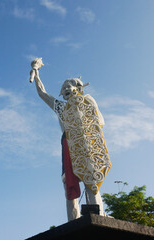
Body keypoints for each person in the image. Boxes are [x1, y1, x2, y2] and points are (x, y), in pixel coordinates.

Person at [32, 68, 106, 221]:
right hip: (68, 143)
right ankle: (73, 222)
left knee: (90, 182)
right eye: (63, 88)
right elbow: (42, 94)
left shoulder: (88, 100)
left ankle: (99, 217)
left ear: (78, 88)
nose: (65, 89)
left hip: (86, 141)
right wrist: (36, 73)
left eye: (68, 86)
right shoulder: (61, 107)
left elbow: (100, 122)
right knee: (69, 186)